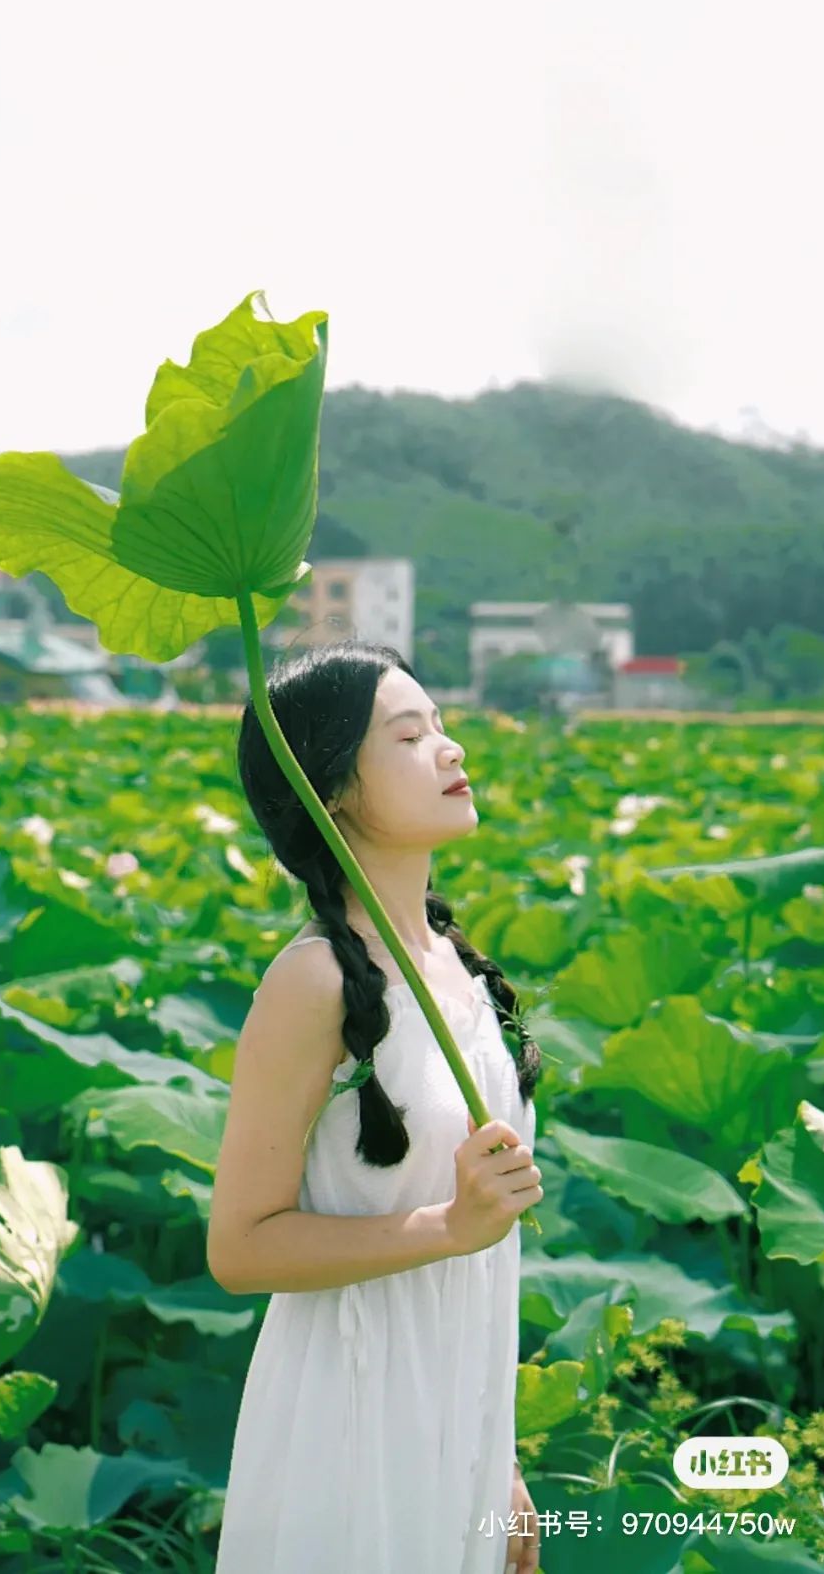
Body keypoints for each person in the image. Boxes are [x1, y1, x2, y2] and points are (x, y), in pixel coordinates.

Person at [208, 639, 544, 1574]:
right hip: (352, 1419)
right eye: (410, 735)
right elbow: (239, 1249)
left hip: (460, 1418)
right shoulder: (312, 982)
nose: (452, 750)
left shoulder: (457, 967)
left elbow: (479, 1269)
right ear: (333, 790)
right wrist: (447, 1225)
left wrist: (498, 1461)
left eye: (442, 725)